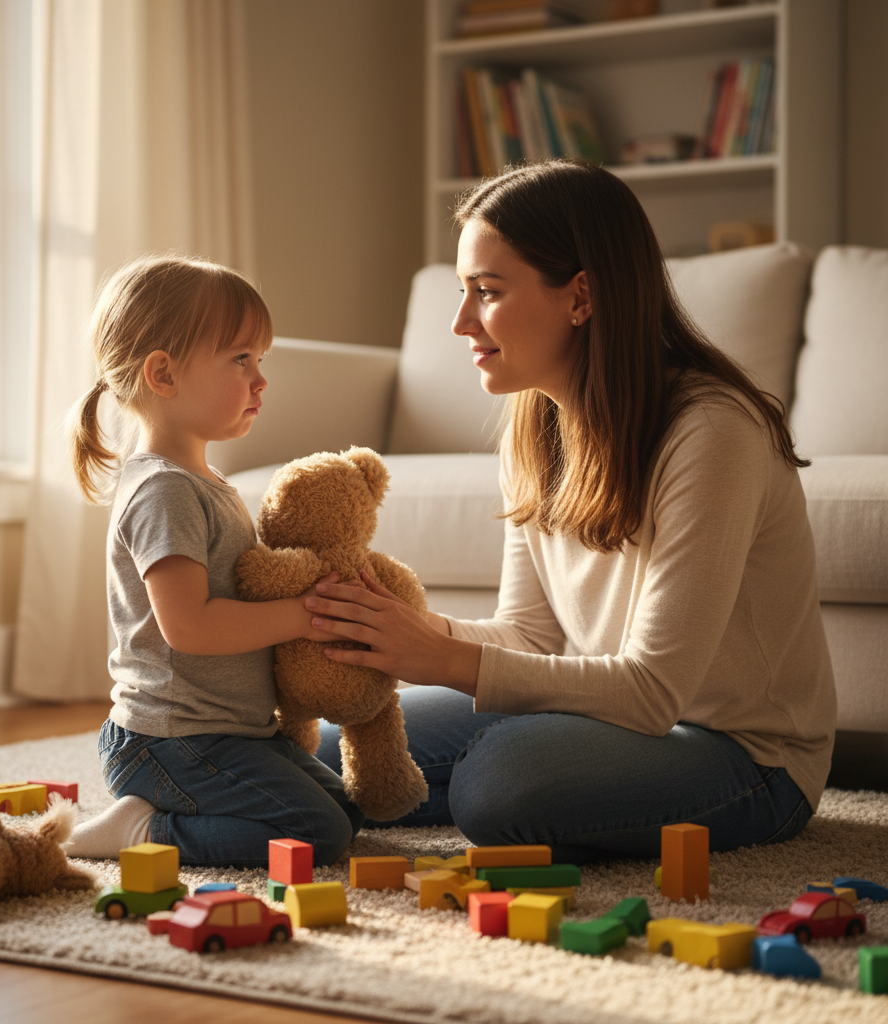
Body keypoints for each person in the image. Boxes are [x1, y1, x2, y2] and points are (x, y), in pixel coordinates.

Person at [307, 160, 836, 865]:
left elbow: (654, 692)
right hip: (600, 718)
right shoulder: (536, 425)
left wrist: (442, 656)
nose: (461, 322)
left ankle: (504, 765)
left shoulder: (713, 431)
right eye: (464, 292)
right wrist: (392, 632)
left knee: (498, 780)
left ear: (580, 294)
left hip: (746, 757)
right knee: (331, 749)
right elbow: (530, 633)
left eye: (487, 292)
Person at [64, 255, 363, 867]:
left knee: (349, 811)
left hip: (228, 732)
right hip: (170, 741)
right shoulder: (163, 489)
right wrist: (305, 614)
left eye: (260, 361)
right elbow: (191, 626)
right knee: (318, 836)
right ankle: (145, 832)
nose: (261, 379)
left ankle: (165, 812)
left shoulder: (203, 481)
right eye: (240, 359)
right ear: (164, 374)